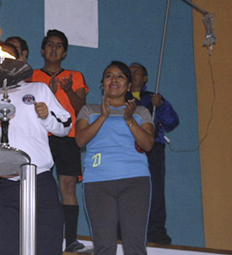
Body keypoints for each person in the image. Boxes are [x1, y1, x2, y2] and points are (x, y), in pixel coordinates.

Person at [0, 44, 72, 255]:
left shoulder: (38, 89)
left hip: (38, 178)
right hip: (2, 183)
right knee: (3, 246)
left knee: (48, 241)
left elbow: (65, 127)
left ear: (20, 61)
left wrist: (46, 116)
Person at [75, 61, 155, 255]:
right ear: (102, 84)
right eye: (109, 76)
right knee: (104, 246)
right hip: (98, 183)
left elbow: (148, 144)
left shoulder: (141, 112)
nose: (114, 80)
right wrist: (103, 116)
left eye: (120, 76)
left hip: (135, 182)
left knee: (135, 246)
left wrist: (129, 120)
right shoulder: (89, 110)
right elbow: (80, 140)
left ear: (129, 86)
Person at [29, 29, 91, 253]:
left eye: (59, 46)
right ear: (42, 49)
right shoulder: (31, 76)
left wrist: (66, 91)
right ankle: (34, 237)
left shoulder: (74, 76)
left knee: (67, 187)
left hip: (67, 138)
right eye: (49, 45)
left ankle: (71, 240)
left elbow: (80, 108)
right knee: (35, 187)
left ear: (64, 52)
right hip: (38, 138)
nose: (53, 49)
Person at [129, 62, 179, 245]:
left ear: (145, 78)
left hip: (153, 149)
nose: (132, 74)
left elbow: (171, 122)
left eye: (137, 71)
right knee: (126, 190)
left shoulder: (153, 99)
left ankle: (156, 231)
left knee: (155, 190)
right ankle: (123, 230)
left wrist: (162, 105)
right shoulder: (118, 97)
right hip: (126, 148)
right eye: (129, 71)